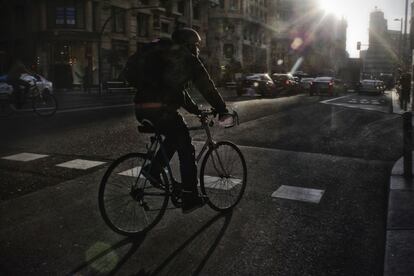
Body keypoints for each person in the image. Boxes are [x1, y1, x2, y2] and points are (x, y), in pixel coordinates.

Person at [133, 28, 229, 213]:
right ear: (187, 45)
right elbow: (206, 87)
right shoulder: (188, 59)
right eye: (195, 45)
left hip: (141, 109)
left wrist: (195, 110)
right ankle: (190, 196)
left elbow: (177, 92)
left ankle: (153, 170)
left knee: (174, 137)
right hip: (161, 111)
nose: (197, 49)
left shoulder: (164, 56)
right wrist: (222, 109)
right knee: (185, 145)